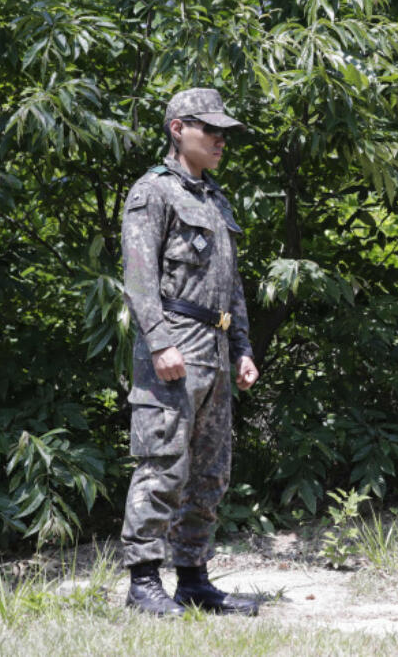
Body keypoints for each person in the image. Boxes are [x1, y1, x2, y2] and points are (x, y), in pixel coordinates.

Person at [119, 87, 261, 617]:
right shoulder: (153, 192)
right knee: (161, 465)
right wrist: (159, 342)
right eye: (210, 129)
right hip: (174, 348)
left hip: (216, 350)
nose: (221, 139)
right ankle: (142, 582)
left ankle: (194, 579)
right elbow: (138, 277)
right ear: (178, 128)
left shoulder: (214, 199)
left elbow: (232, 284)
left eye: (224, 131)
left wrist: (242, 347)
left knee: (209, 470)